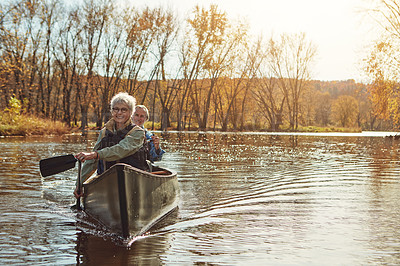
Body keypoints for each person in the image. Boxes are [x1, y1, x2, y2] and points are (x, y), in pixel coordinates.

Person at [74, 92, 147, 199]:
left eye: (124, 110)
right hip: (106, 183)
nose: (119, 113)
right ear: (111, 111)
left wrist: (95, 154)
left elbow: (121, 149)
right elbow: (91, 162)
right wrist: (79, 184)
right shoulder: (104, 132)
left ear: (131, 112)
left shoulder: (138, 133)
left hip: (133, 182)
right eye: (116, 109)